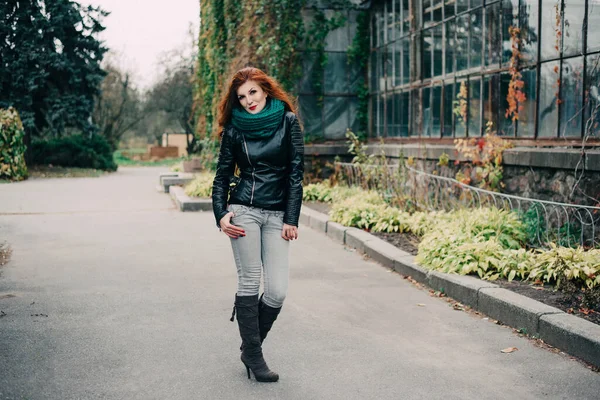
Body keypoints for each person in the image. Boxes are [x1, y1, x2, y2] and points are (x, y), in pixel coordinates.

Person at [211, 67, 304, 382]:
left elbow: (295, 172)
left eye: (253, 92)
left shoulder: (288, 122)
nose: (248, 100)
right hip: (244, 211)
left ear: (265, 90)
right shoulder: (234, 130)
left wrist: (292, 218)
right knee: (250, 281)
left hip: (277, 214)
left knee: (277, 291)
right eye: (242, 96)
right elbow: (222, 175)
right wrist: (221, 214)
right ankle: (254, 353)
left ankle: (250, 347)